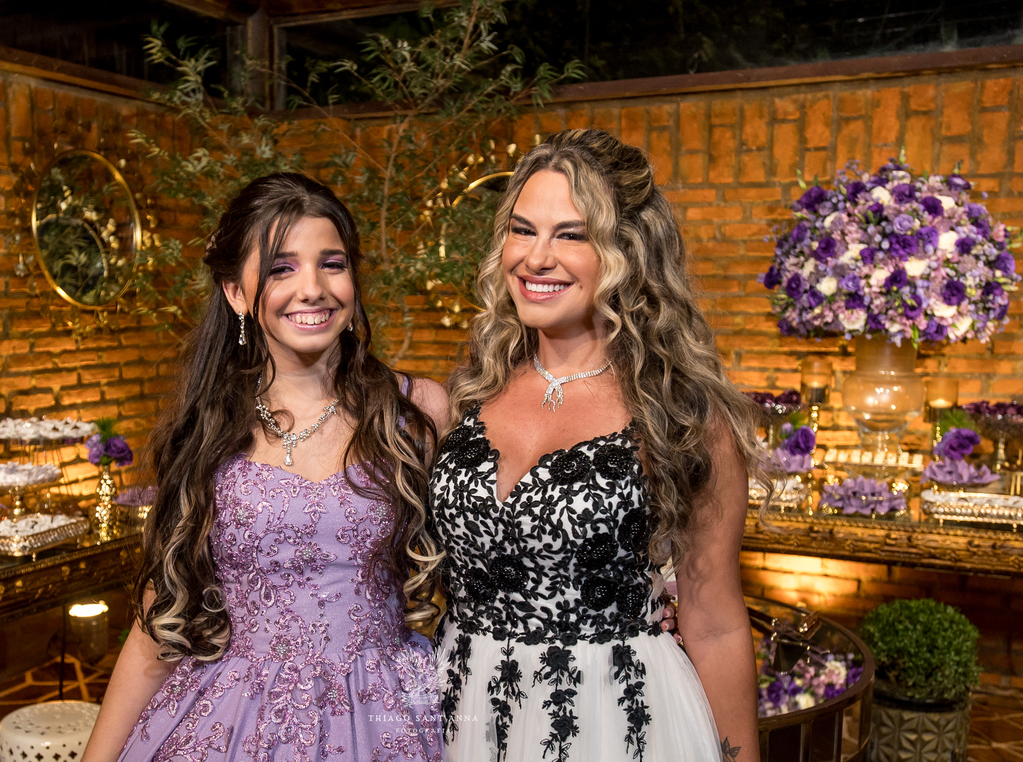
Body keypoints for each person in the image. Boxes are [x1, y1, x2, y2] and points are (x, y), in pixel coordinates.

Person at [82, 173, 449, 762]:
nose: (313, 288)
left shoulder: (415, 413)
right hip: (231, 719)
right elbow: (159, 622)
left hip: (388, 714)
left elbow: (483, 571)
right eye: (282, 268)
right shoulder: (207, 432)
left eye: (332, 264)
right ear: (236, 292)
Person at [430, 129, 763, 762]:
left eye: (572, 235)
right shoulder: (470, 391)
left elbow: (715, 621)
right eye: (523, 230)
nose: (536, 257)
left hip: (611, 722)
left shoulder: (681, 415)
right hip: (461, 709)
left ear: (627, 251)